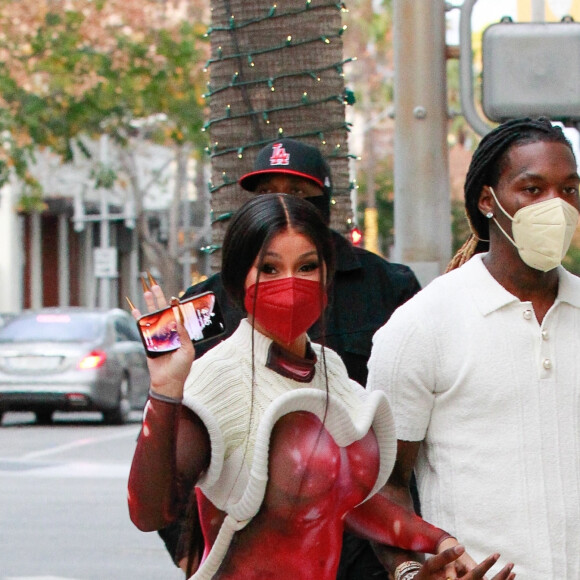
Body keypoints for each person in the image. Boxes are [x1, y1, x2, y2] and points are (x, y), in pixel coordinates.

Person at [127, 194, 515, 580]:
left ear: (328, 275)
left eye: (307, 266)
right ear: (237, 277)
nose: (291, 284)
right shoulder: (215, 377)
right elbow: (149, 513)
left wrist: (440, 544)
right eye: (270, 268)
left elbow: (345, 499)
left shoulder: (328, 368)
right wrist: (165, 389)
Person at [160, 138, 423, 579]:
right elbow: (177, 445)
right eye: (266, 194)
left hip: (362, 545)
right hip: (255, 543)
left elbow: (409, 431)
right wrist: (187, 549)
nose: (281, 204)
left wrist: (407, 556)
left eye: (298, 193)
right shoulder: (205, 301)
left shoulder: (389, 286)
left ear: (324, 203)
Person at [367, 117, 580, 577]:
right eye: (533, 189)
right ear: (487, 200)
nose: (556, 206)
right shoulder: (422, 325)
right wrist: (408, 571)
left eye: (569, 190)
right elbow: (382, 486)